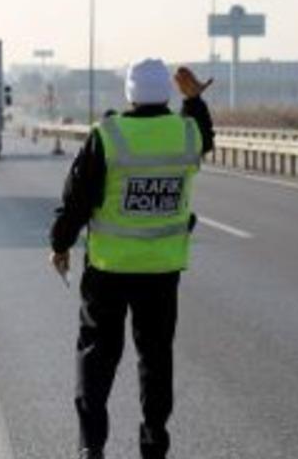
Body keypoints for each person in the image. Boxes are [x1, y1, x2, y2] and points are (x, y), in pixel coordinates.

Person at [48, 59, 215, 459]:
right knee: (156, 360)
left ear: (129, 93)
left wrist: (60, 244)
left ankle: (92, 445)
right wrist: (194, 101)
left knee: (97, 359)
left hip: (108, 270)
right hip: (161, 273)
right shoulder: (185, 133)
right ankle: (154, 444)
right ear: (168, 93)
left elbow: (77, 200)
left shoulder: (108, 136)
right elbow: (204, 136)